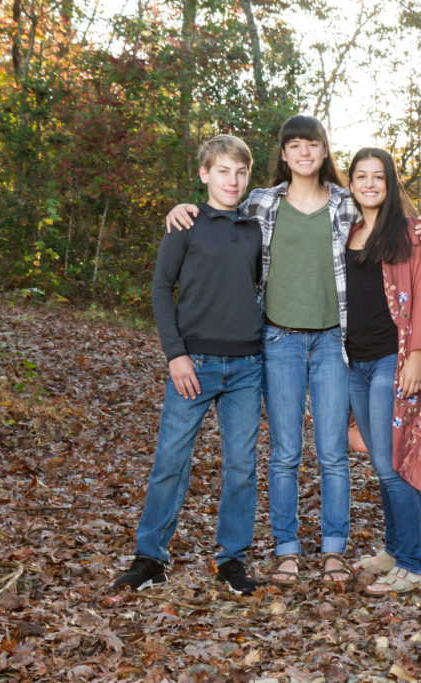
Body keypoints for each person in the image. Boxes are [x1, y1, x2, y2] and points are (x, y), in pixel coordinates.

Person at [165, 115, 421, 586]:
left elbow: (387, 215)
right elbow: (216, 210)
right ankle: (286, 549)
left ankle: (334, 551)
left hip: (335, 341)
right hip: (278, 341)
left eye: (312, 145)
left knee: (333, 454)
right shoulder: (260, 202)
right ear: (284, 155)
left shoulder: (344, 203)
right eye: (294, 145)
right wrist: (179, 209)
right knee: (285, 452)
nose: (304, 153)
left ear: (323, 152)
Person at [113, 134, 264, 595]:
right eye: (223, 170)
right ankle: (150, 558)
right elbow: (161, 290)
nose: (232, 180)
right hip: (193, 362)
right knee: (171, 461)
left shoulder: (259, 227)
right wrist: (175, 354)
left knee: (241, 464)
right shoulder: (186, 224)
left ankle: (231, 560)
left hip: (247, 366)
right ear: (204, 174)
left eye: (240, 172)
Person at [343, 148, 421, 595]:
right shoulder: (345, 233)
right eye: (360, 176)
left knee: (394, 465)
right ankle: (392, 548)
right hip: (355, 362)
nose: (369, 184)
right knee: (380, 460)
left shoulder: (411, 234)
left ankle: (411, 563)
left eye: (378, 177)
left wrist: (415, 358)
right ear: (350, 183)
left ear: (390, 185)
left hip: (394, 358)